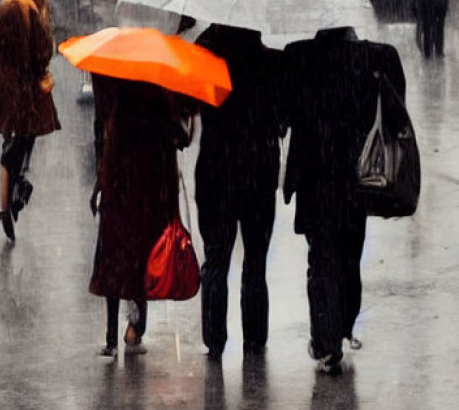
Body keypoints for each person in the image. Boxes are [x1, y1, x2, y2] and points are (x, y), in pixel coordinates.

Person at [283, 28, 406, 375]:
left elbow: (286, 113)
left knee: (321, 260)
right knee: (349, 256)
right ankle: (341, 327)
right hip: (355, 179)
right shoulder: (372, 59)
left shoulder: (301, 58)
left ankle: (326, 342)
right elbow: (395, 108)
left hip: (315, 178)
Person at [194, 24, 284, 360]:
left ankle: (214, 339)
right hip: (259, 171)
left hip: (217, 170)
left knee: (216, 258)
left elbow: (190, 106)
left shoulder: (207, 57)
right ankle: (255, 338)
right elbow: (283, 116)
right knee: (255, 260)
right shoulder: (270, 62)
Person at [89, 75, 194, 356]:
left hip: (118, 189)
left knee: (113, 260)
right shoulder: (161, 94)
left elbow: (106, 145)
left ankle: (111, 337)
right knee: (140, 259)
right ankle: (134, 330)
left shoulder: (118, 99)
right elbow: (181, 137)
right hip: (149, 189)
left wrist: (100, 185)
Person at [0, 0, 60, 240]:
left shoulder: (1, 11)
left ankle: (12, 186)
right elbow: (43, 54)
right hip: (25, 94)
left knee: (11, 136)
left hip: (2, 92)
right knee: (26, 137)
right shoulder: (30, 13)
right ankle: (18, 185)